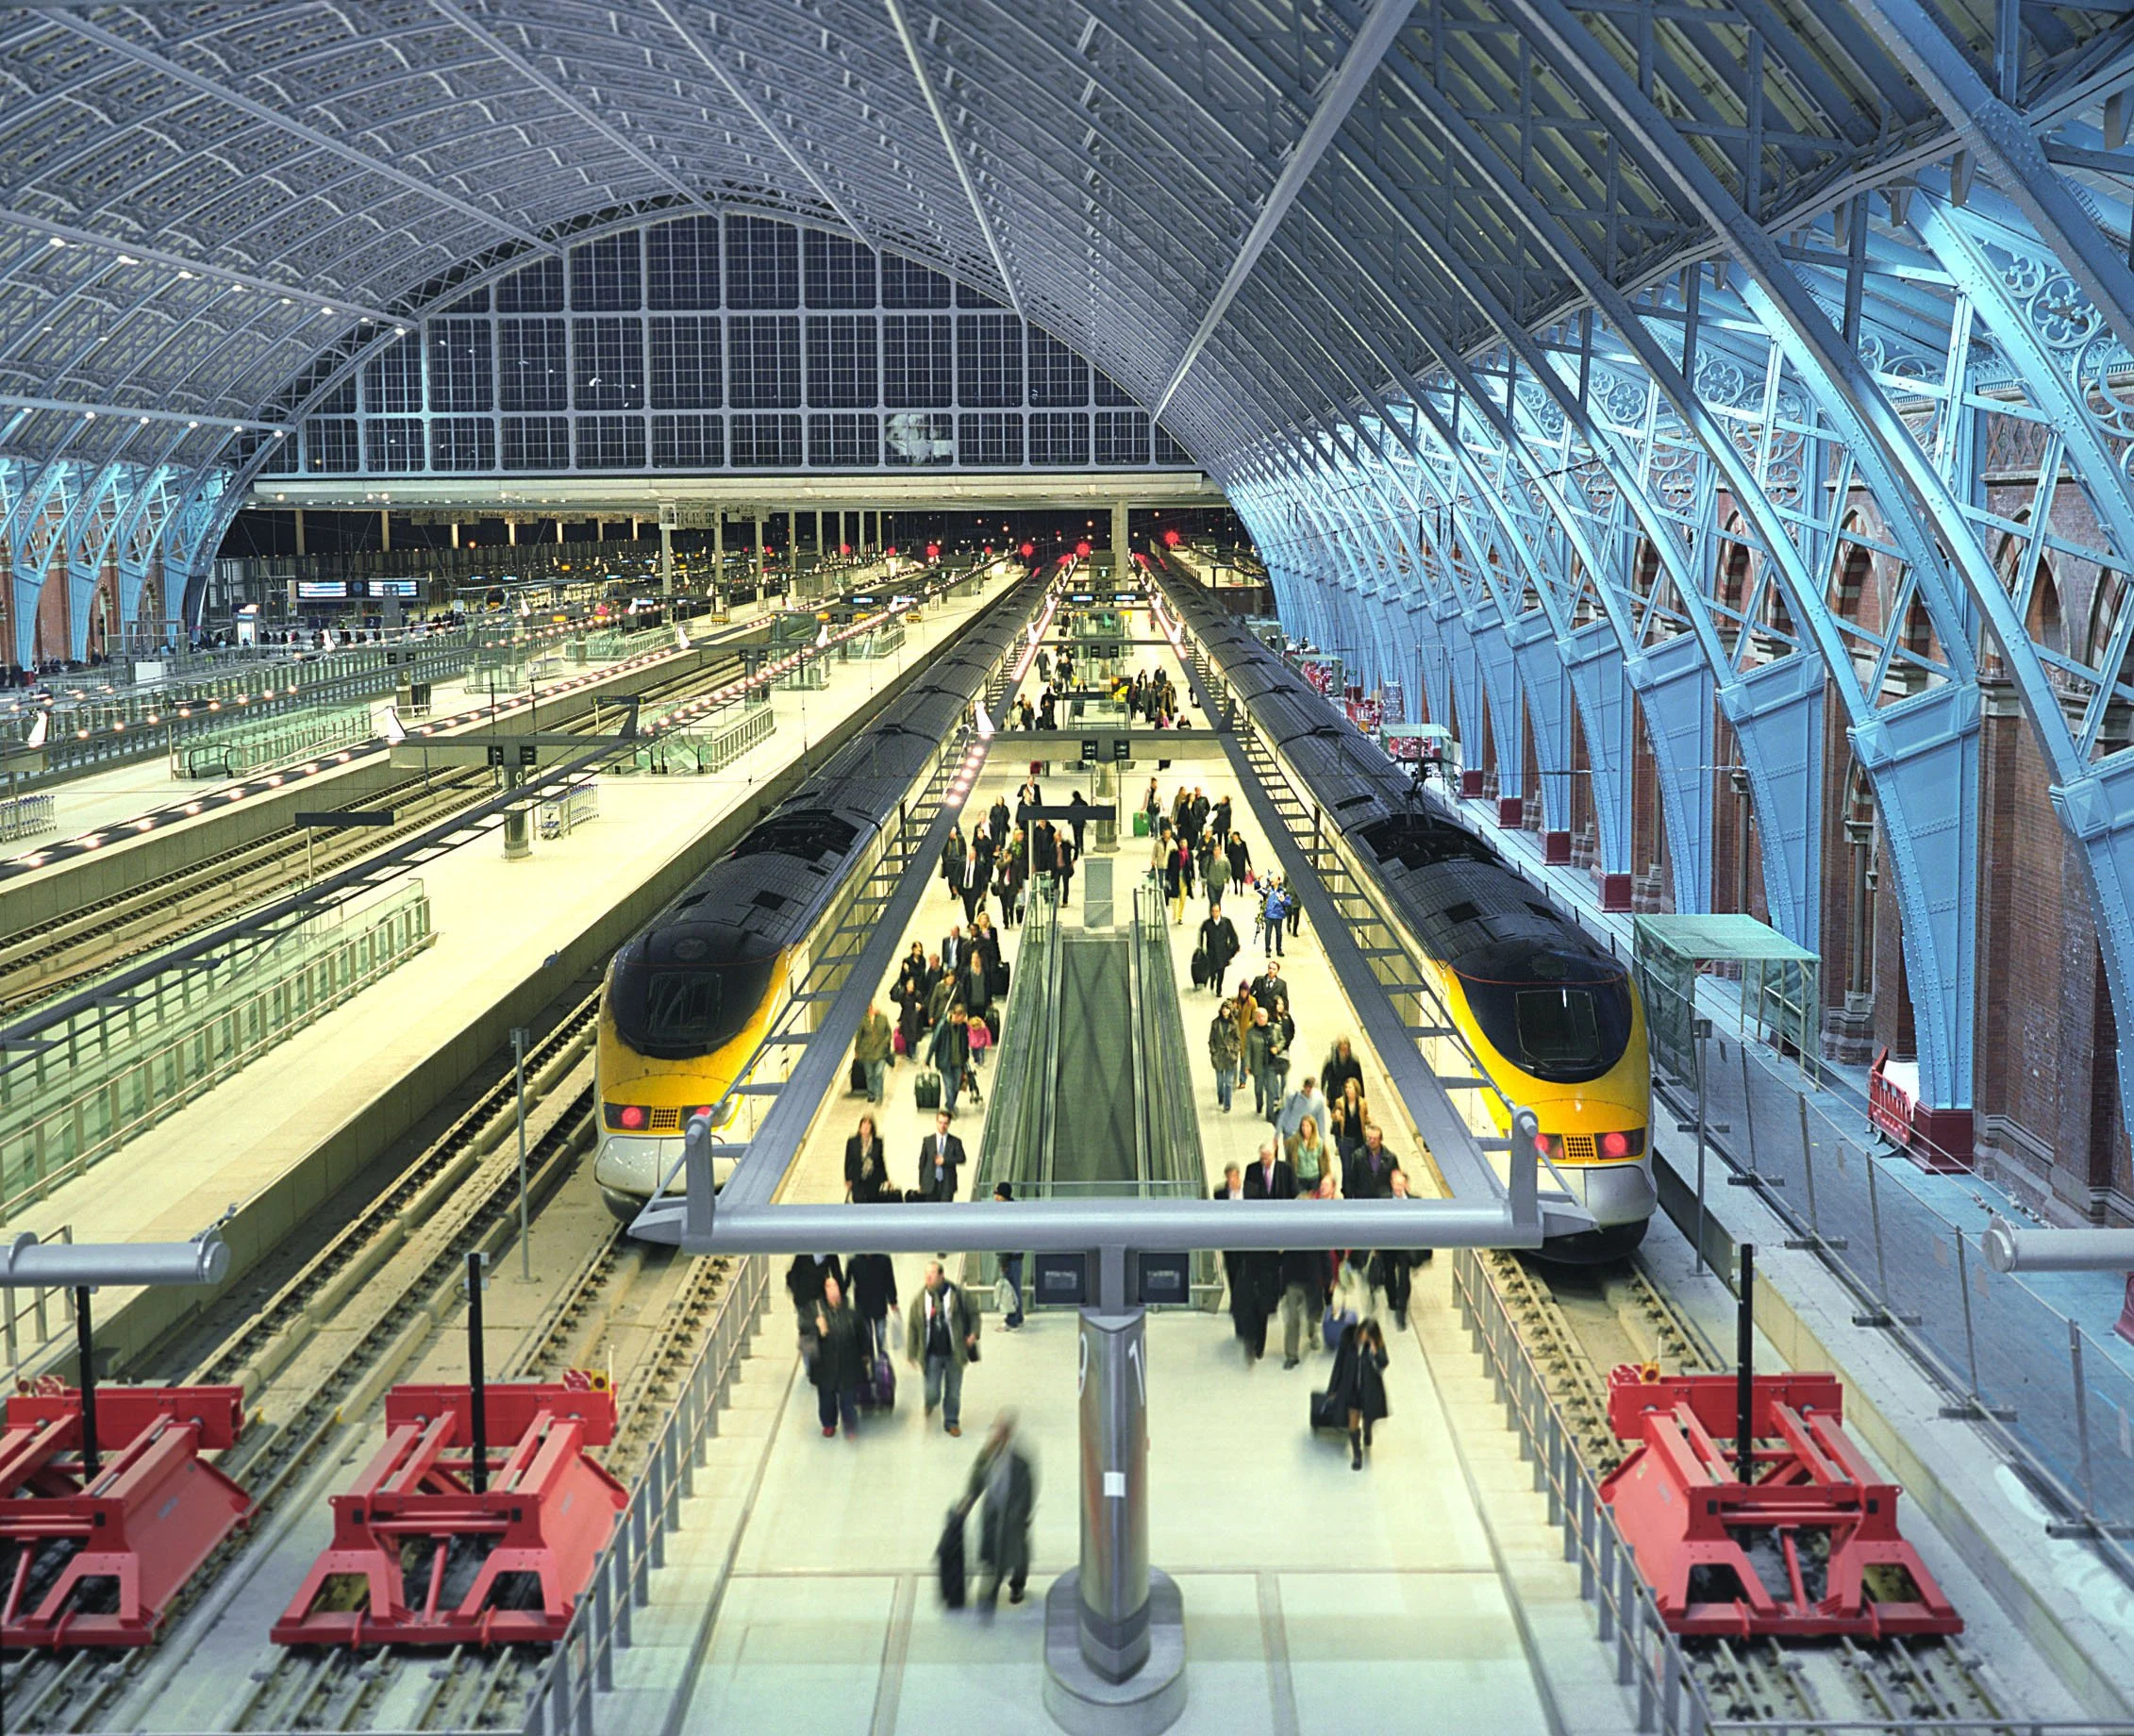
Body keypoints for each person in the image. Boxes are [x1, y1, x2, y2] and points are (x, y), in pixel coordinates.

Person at [961, 1412, 1036, 1611]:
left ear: (1009, 1433)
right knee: (991, 1548)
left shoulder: (1020, 1461)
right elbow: (977, 1478)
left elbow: (1027, 1491)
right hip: (993, 1510)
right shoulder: (988, 1453)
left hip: (1013, 1515)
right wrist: (968, 1499)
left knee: (1017, 1552)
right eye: (995, 1429)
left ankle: (1017, 1585)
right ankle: (992, 1585)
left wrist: (1021, 1515)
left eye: (1001, 1431)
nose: (996, 1434)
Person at [907, 1260, 980, 1437]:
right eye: (926, 1275)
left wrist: (974, 1334)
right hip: (931, 1353)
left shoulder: (959, 1295)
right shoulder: (920, 1300)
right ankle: (930, 1402)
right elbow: (913, 1326)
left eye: (932, 1275)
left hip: (955, 1352)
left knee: (953, 1391)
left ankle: (951, 1421)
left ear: (941, 1276)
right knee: (932, 1390)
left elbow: (974, 1314)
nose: (928, 1278)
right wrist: (911, 1352)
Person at [1326, 1318, 1389, 1468]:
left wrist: (1375, 1351)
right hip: (1351, 1389)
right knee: (1352, 1423)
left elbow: (1384, 1363)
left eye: (1367, 1335)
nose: (1363, 1338)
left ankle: (1367, 1431)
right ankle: (1357, 1455)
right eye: (1362, 1333)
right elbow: (1339, 1365)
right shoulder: (1348, 1341)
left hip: (1369, 1390)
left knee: (1368, 1417)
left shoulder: (1376, 1346)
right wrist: (1333, 1388)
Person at [810, 1275, 863, 1438]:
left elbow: (862, 1335)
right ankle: (829, 1423)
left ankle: (850, 1425)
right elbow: (807, 1342)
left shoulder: (851, 1313)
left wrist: (865, 1355)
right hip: (825, 1365)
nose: (832, 1290)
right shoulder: (816, 1313)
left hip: (847, 1363)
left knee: (848, 1398)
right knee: (827, 1398)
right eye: (828, 1287)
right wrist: (818, 1331)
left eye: (835, 1286)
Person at [847, 1251, 899, 1360]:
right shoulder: (854, 1261)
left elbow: (890, 1281)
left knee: (881, 1336)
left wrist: (893, 1300)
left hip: (879, 1304)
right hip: (862, 1306)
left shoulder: (884, 1260)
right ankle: (870, 1361)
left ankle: (881, 1361)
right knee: (866, 1338)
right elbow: (847, 1281)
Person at [992, 1181, 1025, 1328]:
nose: (995, 1198)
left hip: (1010, 1257)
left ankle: (1012, 1319)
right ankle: (1018, 1316)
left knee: (1010, 1289)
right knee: (1015, 1287)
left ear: (1004, 1196)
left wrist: (1003, 1262)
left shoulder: (1005, 1213)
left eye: (998, 1195)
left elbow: (1004, 1239)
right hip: (1017, 1255)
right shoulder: (1016, 1209)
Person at [918, 1109, 965, 1200]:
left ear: (949, 1124)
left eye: (945, 1123)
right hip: (930, 1184)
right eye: (940, 1122)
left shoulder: (955, 1141)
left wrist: (945, 1160)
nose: (942, 1126)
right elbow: (922, 1163)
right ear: (936, 1122)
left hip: (947, 1184)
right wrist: (921, 1183)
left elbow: (961, 1158)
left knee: (945, 1211)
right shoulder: (928, 1141)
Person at [1208, 994, 1242, 1112]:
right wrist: (1213, 1051)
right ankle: (1220, 1097)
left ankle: (1227, 1105)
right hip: (1218, 1055)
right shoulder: (1215, 1023)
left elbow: (1238, 1039)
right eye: (1223, 1008)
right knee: (1219, 1081)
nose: (1225, 1010)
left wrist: (1235, 1051)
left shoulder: (1234, 1024)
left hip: (1229, 1055)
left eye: (1227, 1008)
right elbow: (1211, 1039)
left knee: (1228, 1082)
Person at [844, 1113, 891, 1202]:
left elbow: (880, 1161)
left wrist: (885, 1179)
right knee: (858, 1201)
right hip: (857, 1180)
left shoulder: (878, 1142)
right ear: (859, 1128)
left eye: (868, 1125)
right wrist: (848, 1178)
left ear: (872, 1128)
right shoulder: (852, 1142)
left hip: (873, 1180)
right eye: (863, 1125)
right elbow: (848, 1161)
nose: (865, 1128)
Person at [1197, 900, 1239, 994]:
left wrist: (1233, 946)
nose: (1215, 913)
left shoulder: (1226, 922)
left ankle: (1219, 989)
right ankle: (1212, 978)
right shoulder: (1207, 923)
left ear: (1220, 911)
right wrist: (1201, 946)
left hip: (1223, 951)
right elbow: (1201, 933)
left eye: (1216, 911)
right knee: (1212, 969)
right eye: (1213, 911)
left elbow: (1233, 934)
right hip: (1211, 951)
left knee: (1221, 970)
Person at [1288, 1112, 1332, 1198]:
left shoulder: (1319, 1142)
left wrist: (1327, 1177)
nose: (1305, 1129)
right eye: (1303, 1126)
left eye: (1308, 1126)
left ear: (1312, 1127)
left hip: (1314, 1178)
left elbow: (1324, 1161)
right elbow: (1289, 1160)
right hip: (1299, 1178)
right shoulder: (1294, 1142)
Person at [855, 1004, 892, 1106]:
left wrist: (885, 1043)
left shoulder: (883, 1018)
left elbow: (888, 1032)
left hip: (880, 1052)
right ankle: (871, 1094)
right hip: (867, 1053)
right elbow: (859, 1037)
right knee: (869, 1075)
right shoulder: (863, 1020)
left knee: (879, 1073)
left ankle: (879, 1094)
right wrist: (857, 1050)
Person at [1244, 1007, 1275, 1117]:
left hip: (1271, 1065)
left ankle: (1270, 1113)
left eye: (1264, 1016)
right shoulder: (1251, 1033)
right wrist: (1247, 1065)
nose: (1262, 1019)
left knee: (1271, 1090)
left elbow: (1280, 1042)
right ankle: (1259, 1104)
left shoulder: (1272, 1030)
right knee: (1258, 1089)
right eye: (1259, 1017)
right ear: (1255, 1018)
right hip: (1258, 1065)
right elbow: (1248, 1050)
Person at [1322, 1037, 1363, 1110]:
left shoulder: (1354, 1062)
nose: (1345, 1052)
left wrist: (1361, 1098)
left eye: (1346, 1049)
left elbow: (1359, 1080)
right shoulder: (1330, 1061)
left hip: (1349, 1097)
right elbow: (1324, 1078)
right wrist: (1324, 1096)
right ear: (1338, 1049)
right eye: (1343, 1050)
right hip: (1334, 1096)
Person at [1067, 791, 1090, 855]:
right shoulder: (1083, 803)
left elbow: (1069, 813)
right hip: (1081, 822)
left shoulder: (1073, 804)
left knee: (1075, 835)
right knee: (1080, 835)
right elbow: (1087, 812)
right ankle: (1081, 848)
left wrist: (1069, 820)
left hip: (1074, 822)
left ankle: (1077, 847)